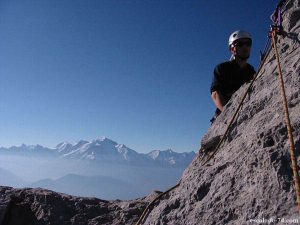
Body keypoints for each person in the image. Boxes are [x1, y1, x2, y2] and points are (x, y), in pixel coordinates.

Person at [210, 30, 256, 124]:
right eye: (240, 44)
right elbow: (215, 93)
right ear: (232, 49)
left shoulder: (251, 71)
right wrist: (227, 113)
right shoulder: (222, 68)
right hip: (224, 114)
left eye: (248, 43)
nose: (245, 47)